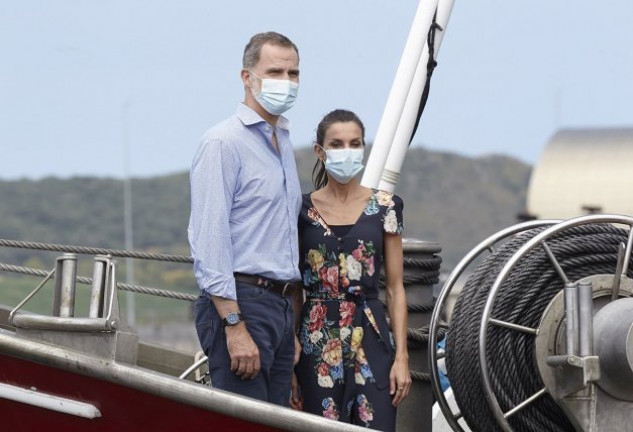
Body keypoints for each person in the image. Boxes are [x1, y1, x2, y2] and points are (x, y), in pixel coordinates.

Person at [188, 31, 303, 406]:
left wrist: (290, 327)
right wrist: (234, 327)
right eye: (274, 72)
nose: (285, 82)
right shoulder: (223, 143)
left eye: (293, 73)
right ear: (246, 76)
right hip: (242, 302)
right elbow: (210, 239)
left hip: (280, 307)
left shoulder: (282, 141)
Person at [292, 109, 412, 431]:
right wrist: (291, 350)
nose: (347, 150)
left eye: (354, 143)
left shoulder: (387, 206)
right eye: (337, 143)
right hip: (317, 337)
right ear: (320, 151)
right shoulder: (300, 210)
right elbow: (293, 289)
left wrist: (401, 357)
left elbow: (396, 287)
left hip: (372, 333)